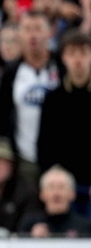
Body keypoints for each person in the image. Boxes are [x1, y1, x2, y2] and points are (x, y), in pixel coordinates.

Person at [0, 10, 61, 183]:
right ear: (19, 34)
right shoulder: (8, 74)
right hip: (23, 158)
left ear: (50, 32)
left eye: (38, 28)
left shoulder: (62, 69)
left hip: (61, 158)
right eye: (27, 29)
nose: (33, 35)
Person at [37, 29, 91, 215]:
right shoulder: (53, 99)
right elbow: (45, 144)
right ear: (64, 58)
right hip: (64, 185)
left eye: (83, 53)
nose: (78, 59)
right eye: (72, 53)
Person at [19, 165, 91, 237]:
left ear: (72, 194)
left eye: (61, 187)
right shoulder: (29, 225)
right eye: (51, 187)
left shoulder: (85, 228)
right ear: (42, 194)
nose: (56, 193)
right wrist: (30, 238)